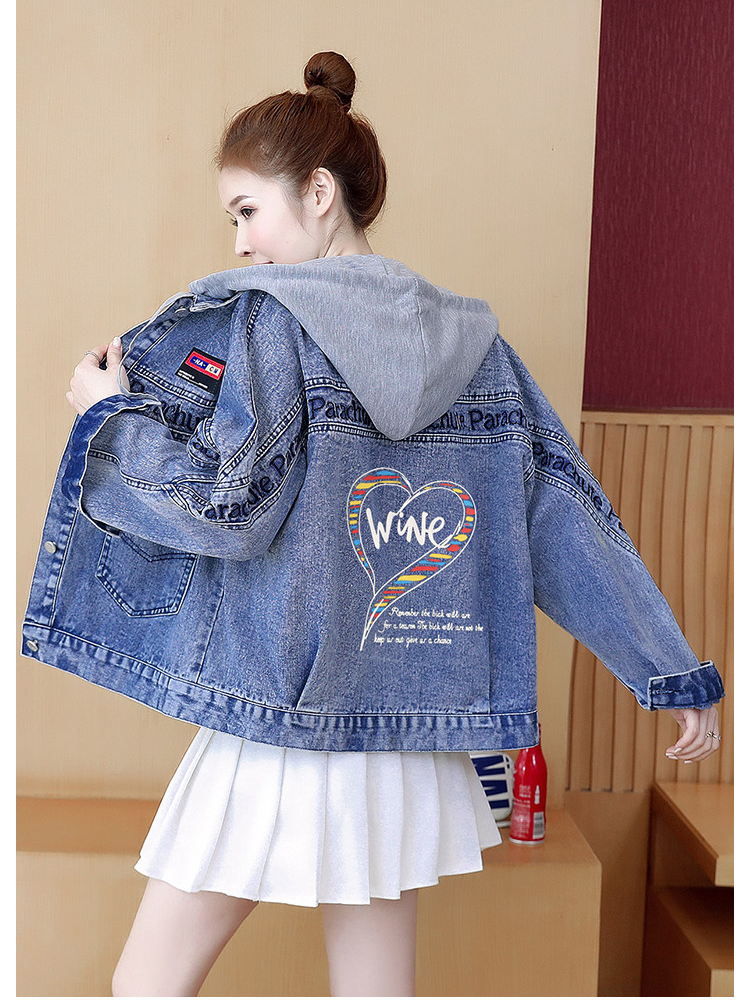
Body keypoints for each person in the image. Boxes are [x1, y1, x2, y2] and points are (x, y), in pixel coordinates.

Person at [23, 52, 724, 998]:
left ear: (319, 193)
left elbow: (231, 508)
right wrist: (666, 668)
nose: (242, 245)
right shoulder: (478, 349)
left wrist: (110, 419)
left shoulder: (274, 324)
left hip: (285, 715)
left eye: (247, 212)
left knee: (145, 985)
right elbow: (560, 513)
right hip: (406, 729)